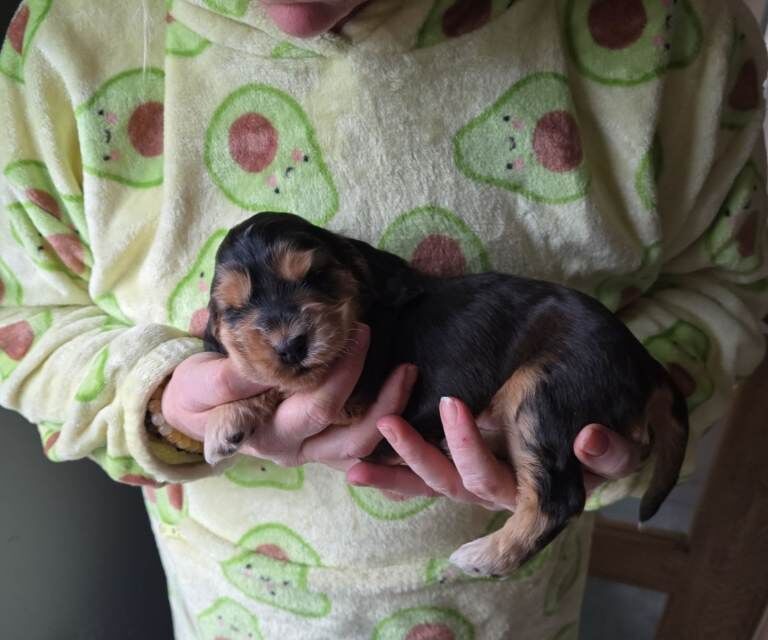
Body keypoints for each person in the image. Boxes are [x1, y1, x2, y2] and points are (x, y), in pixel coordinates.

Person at [1, 0, 766, 637]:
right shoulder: (64, 45)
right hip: (234, 605)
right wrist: (162, 400)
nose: (295, 11)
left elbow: (735, 289)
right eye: (237, 317)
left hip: (513, 613)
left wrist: (624, 412)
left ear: (362, 275)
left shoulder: (669, 31)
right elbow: (24, 321)